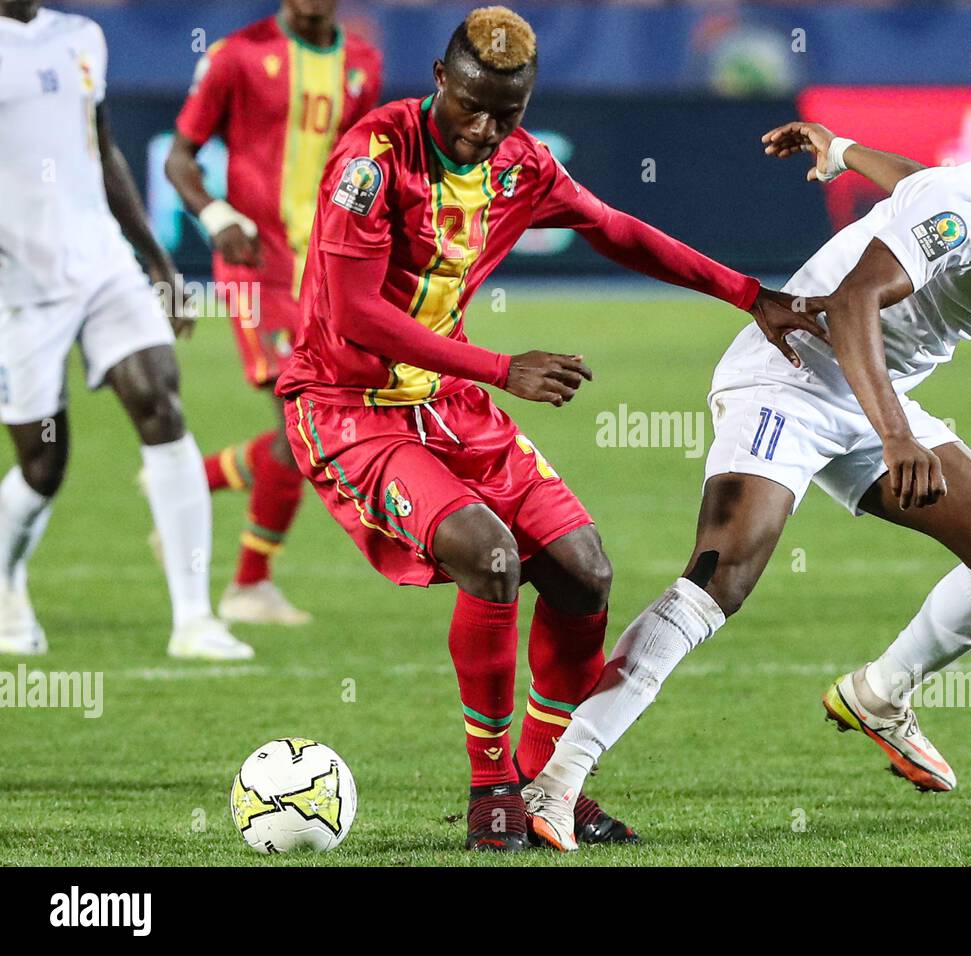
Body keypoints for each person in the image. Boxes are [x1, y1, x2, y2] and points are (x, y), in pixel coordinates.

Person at [522, 99, 971, 851]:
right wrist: (896, 437)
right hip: (793, 369)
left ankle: (880, 695)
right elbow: (857, 298)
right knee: (722, 575)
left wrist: (843, 147)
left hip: (874, 390)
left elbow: (918, 188)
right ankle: (557, 779)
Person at [275, 5, 819, 851]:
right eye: (473, 106)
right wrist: (501, 367)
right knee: (487, 556)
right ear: (439, 81)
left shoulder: (520, 167)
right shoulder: (373, 159)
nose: (486, 130)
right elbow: (352, 312)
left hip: (448, 402)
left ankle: (541, 783)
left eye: (509, 113)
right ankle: (491, 786)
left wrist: (751, 293)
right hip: (350, 406)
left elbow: (617, 231)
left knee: (584, 572)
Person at [0, 0, 250, 660]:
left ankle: (194, 620)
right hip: (19, 285)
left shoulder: (82, 36)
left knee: (160, 402)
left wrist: (157, 259)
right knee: (43, 463)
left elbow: (100, 144)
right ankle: (5, 582)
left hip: (103, 264)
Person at [166, 0, 382, 625]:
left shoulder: (362, 62)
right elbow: (179, 157)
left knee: (324, 429)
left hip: (328, 272)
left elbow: (367, 170)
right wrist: (215, 215)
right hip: (257, 265)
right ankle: (248, 585)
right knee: (301, 418)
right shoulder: (235, 54)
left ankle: (186, 483)